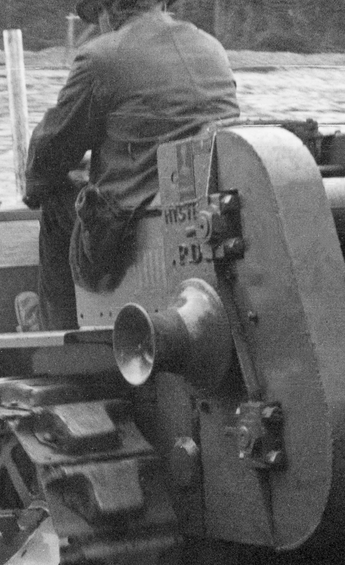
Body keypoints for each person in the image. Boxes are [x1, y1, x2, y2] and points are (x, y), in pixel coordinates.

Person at [20, 0, 240, 330]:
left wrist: (38, 185)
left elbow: (47, 159)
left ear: (108, 11)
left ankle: (59, 342)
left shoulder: (101, 58)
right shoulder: (211, 48)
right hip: (199, 209)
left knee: (55, 204)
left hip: (128, 231)